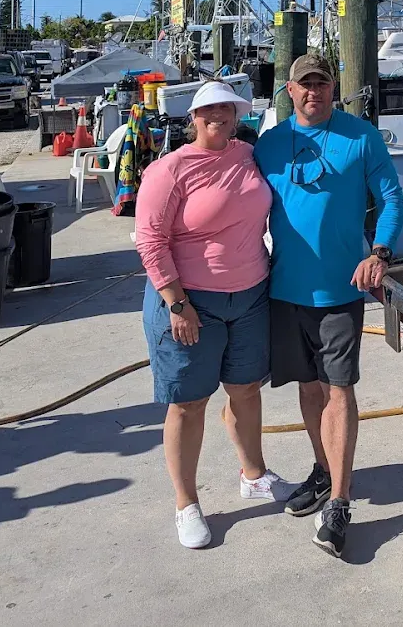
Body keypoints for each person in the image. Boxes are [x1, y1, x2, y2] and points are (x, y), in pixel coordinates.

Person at [253, 53, 403, 558]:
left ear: (333, 88)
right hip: (283, 290)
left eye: (321, 83)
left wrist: (379, 254)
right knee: (308, 388)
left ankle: (339, 500)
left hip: (341, 290)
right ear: (289, 92)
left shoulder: (361, 136)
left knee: (339, 391)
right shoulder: (269, 144)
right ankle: (322, 469)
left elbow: (392, 199)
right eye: (304, 85)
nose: (312, 91)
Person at [135, 81, 282, 550]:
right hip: (191, 301)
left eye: (226, 108)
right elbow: (151, 241)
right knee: (188, 403)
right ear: (192, 117)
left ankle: (253, 474)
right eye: (207, 110)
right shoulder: (169, 169)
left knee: (245, 391)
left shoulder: (247, 154)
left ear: (239, 115)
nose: (217, 116)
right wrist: (176, 303)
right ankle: (186, 503)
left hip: (251, 294)